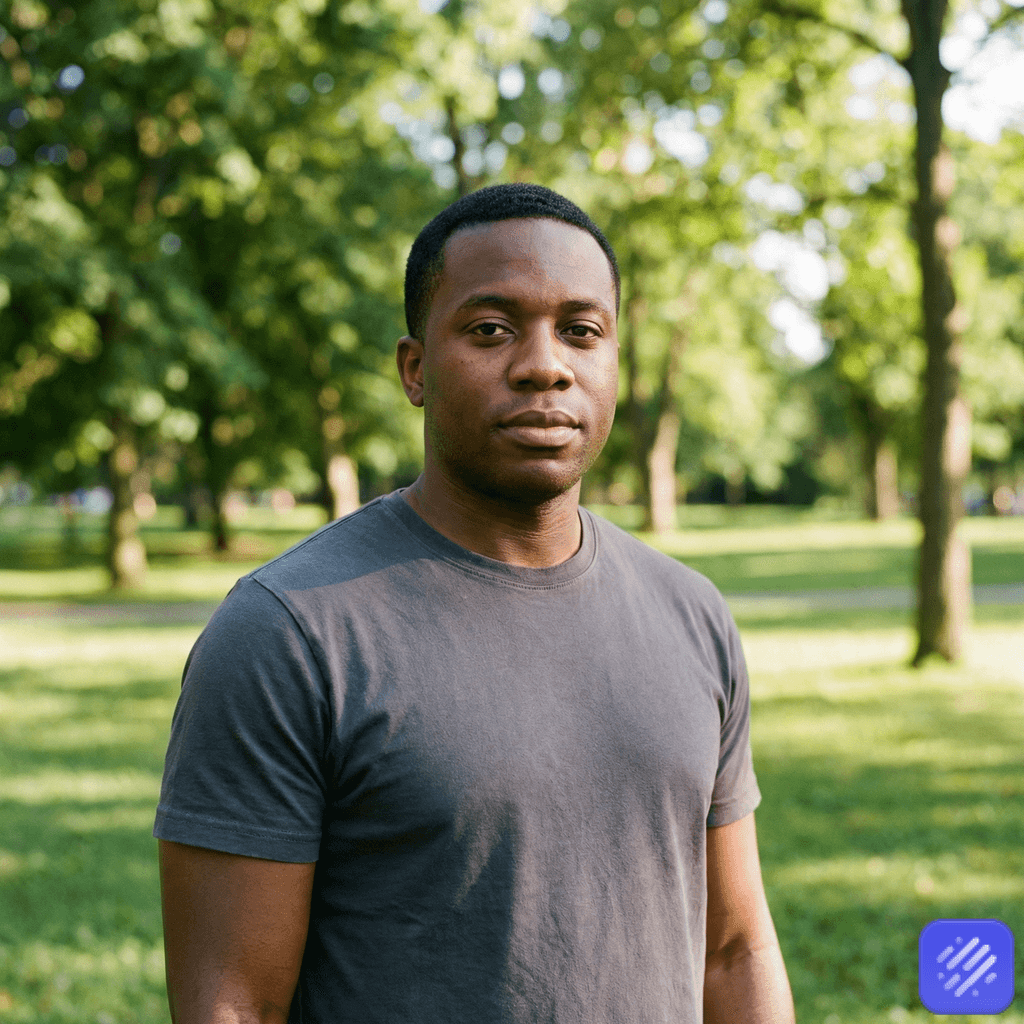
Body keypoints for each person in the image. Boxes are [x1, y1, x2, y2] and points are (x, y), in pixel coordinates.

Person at [155, 183, 795, 1024]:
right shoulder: (287, 634)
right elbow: (233, 1004)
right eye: (492, 329)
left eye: (581, 331)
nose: (544, 364)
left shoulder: (693, 616)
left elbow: (734, 952)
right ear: (415, 370)